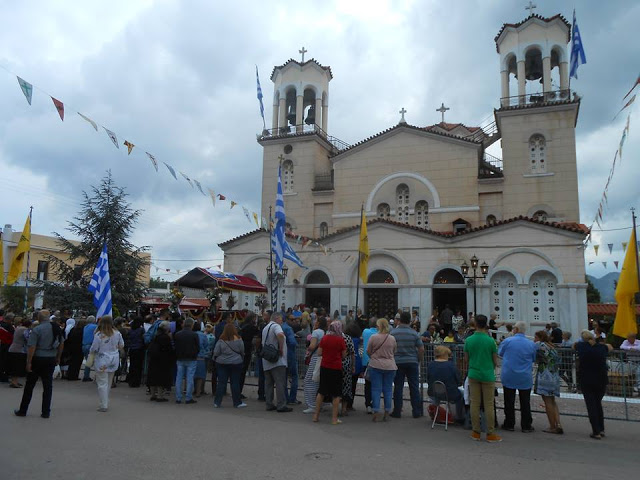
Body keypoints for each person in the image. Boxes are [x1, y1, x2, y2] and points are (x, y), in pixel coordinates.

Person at [14, 310, 64, 418]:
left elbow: (32, 347)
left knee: (30, 385)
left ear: (39, 318)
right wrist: (58, 357)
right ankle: (46, 412)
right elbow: (61, 344)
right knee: (47, 386)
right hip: (50, 358)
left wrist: (29, 362)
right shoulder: (56, 328)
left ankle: (23, 410)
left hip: (38, 358)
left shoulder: (37, 329)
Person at [464, 314, 501, 442]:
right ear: (485, 324)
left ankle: (476, 432)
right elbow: (495, 360)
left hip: (473, 373)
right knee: (488, 404)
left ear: (475, 325)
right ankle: (490, 433)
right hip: (487, 374)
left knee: (474, 403)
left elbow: (466, 359)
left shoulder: (469, 340)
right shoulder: (490, 341)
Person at [497, 321, 537, 433]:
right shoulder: (531, 344)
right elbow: (533, 358)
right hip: (525, 376)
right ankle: (526, 425)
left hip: (509, 374)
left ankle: (509, 423)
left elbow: (500, 353)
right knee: (525, 401)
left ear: (515, 329)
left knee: (509, 401)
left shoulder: (508, 341)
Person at [574, 330, 612, 439]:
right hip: (601, 379)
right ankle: (601, 428)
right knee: (597, 404)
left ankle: (596, 431)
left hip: (587, 379)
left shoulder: (581, 347)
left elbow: (574, 346)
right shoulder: (601, 348)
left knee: (591, 406)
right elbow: (610, 347)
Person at [390, 311, 424, 419]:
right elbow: (421, 348)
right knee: (414, 387)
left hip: (398, 362)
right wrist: (418, 359)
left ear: (399, 320)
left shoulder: (393, 333)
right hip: (412, 362)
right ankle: (416, 411)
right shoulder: (414, 333)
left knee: (398, 387)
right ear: (410, 320)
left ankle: (397, 411)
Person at [313, 321, 347, 424]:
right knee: (336, 394)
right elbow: (344, 355)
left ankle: (316, 416)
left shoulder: (324, 338)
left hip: (324, 366)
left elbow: (319, 352)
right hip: (336, 368)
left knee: (321, 391)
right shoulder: (340, 340)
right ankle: (334, 419)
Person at [90, 316, 124, 412]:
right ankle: (105, 401)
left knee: (102, 383)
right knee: (108, 382)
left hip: (102, 360)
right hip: (113, 360)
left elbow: (94, 348)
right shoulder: (117, 333)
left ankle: (103, 404)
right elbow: (122, 345)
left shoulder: (99, 335)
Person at [367, 318, 397, 422]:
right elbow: (394, 351)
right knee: (388, 390)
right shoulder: (392, 338)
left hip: (376, 365)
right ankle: (387, 411)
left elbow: (368, 350)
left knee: (376, 389)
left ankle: (375, 411)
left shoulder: (373, 337)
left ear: (378, 326)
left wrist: (374, 357)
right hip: (390, 366)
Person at [262, 312, 292, 413]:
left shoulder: (266, 328)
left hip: (267, 359)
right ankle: (281, 404)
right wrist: (281, 348)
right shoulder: (276, 326)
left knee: (269, 383)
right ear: (277, 318)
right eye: (281, 319)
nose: (282, 321)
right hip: (277, 360)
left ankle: (269, 403)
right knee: (280, 382)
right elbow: (280, 335)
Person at [534, 330, 563, 434]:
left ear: (539, 337)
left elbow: (535, 358)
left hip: (544, 376)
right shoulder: (552, 347)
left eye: (535, 337)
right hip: (554, 375)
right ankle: (558, 424)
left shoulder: (540, 345)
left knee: (547, 402)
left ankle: (552, 426)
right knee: (553, 401)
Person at [427, 345, 465, 422]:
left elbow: (428, 378)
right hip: (450, 393)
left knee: (436, 395)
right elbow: (458, 381)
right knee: (463, 394)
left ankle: (435, 412)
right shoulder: (451, 366)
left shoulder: (430, 365)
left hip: (433, 392)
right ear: (445, 354)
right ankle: (459, 417)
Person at [213, 323, 246, 408]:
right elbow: (242, 351)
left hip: (222, 363)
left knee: (221, 383)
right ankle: (237, 402)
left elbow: (216, 352)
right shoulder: (239, 339)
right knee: (235, 383)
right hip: (236, 363)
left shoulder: (221, 340)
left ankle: (217, 402)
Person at [302, 317, 327, 414]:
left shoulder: (316, 332)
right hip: (323, 358)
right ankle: (321, 404)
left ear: (318, 323)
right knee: (319, 381)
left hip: (316, 357)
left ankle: (312, 405)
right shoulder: (326, 332)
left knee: (309, 380)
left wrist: (308, 347)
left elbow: (312, 346)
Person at [174, 317, 200, 404]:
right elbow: (197, 347)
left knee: (179, 378)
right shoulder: (194, 335)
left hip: (180, 358)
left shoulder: (178, 334)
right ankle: (188, 397)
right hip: (191, 358)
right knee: (190, 378)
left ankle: (178, 397)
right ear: (192, 325)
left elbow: (175, 346)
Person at [146, 321, 174, 402]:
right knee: (161, 378)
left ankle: (153, 395)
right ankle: (160, 396)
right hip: (162, 360)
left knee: (153, 377)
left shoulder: (155, 336)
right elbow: (169, 350)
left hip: (153, 359)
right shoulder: (166, 338)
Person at [282, 315, 300, 405]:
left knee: (284, 377)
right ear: (288, 320)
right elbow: (292, 342)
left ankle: (285, 397)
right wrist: (296, 344)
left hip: (282, 355)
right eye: (292, 320)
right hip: (290, 354)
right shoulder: (288, 329)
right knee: (294, 376)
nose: (294, 321)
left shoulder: (281, 327)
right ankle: (292, 398)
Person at [8, 318, 31, 388]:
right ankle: (14, 382)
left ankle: (13, 381)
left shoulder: (18, 328)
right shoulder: (24, 330)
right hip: (19, 350)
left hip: (13, 348)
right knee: (17, 367)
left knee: (14, 366)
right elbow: (28, 338)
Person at [239, 313, 258, 397]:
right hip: (247, 348)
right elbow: (258, 333)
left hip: (241, 347)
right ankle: (239, 391)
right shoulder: (251, 327)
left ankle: (237, 390)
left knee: (241, 371)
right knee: (243, 370)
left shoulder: (242, 325)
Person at [361, 317, 378, 413]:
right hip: (376, 360)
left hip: (366, 361)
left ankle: (368, 404)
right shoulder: (379, 333)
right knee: (376, 384)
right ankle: (375, 403)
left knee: (367, 384)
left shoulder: (365, 331)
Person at [340, 323, 356, 416]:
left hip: (334, 364)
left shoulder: (329, 337)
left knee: (336, 386)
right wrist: (353, 366)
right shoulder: (347, 338)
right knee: (346, 386)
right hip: (346, 364)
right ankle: (344, 409)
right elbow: (352, 353)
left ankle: (334, 408)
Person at [126, 317, 146, 388]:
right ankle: (136, 381)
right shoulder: (141, 330)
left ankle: (131, 380)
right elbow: (144, 338)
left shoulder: (131, 330)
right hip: (139, 349)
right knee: (138, 366)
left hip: (132, 348)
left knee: (132, 365)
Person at [193, 320, 211, 397]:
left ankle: (194, 389)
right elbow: (207, 346)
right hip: (201, 356)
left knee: (193, 375)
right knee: (200, 376)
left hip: (193, 356)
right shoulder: (203, 336)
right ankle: (199, 391)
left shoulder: (192, 334)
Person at [0, 310, 15, 383]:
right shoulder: (8, 326)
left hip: (2, 344)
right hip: (6, 345)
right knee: (4, 361)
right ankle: (3, 377)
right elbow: (12, 335)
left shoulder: (1, 324)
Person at [81, 315, 98, 382]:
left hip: (84, 345)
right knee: (95, 361)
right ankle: (94, 376)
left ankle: (86, 375)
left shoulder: (85, 327)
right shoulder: (95, 327)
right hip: (91, 345)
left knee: (88, 362)